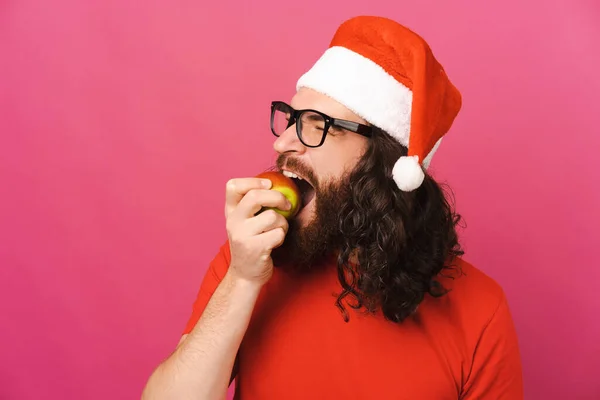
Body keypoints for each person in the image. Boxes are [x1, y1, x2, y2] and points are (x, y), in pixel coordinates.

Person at [142, 15, 523, 400]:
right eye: (291, 119)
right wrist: (241, 280)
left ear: (383, 158)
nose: (283, 144)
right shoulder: (252, 259)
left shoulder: (481, 310)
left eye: (317, 124)